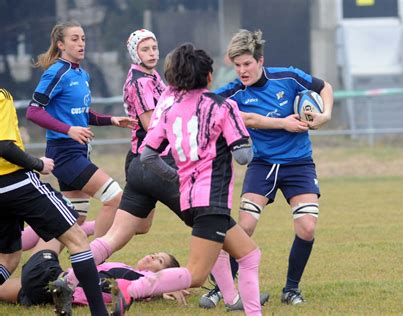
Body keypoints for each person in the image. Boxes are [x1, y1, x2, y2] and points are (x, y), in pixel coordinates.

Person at [206, 29, 334, 306]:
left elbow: (325, 88)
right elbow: (213, 109)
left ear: (260, 60)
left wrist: (324, 116)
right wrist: (282, 123)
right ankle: (222, 287)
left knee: (307, 228)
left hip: (298, 163)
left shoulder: (287, 76)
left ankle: (291, 289)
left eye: (247, 64)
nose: (242, 71)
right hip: (262, 164)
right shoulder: (233, 91)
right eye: (237, 65)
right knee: (245, 227)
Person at [139, 43, 263, 315]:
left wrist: (178, 176)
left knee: (250, 255)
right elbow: (243, 157)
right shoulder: (223, 106)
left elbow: (147, 155)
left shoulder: (171, 109)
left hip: (188, 201)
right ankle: (133, 288)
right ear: (208, 76)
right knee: (195, 275)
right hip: (212, 199)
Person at [64, 29, 183, 280]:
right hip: (150, 159)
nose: (152, 53)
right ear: (134, 53)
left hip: (148, 159)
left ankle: (79, 254)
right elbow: (151, 125)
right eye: (145, 49)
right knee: (204, 218)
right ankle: (85, 256)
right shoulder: (139, 81)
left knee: (140, 226)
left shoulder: (152, 76)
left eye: (154, 48)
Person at [0, 87, 119, 315]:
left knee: (8, 258)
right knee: (77, 238)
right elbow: (4, 146)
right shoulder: (1, 96)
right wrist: (38, 164)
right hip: (16, 183)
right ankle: (100, 312)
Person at [26, 21, 136, 238]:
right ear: (61, 44)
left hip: (78, 152)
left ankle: (30, 255)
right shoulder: (56, 72)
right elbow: (33, 111)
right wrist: (68, 130)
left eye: (83, 39)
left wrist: (111, 120)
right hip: (64, 153)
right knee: (115, 198)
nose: (81, 43)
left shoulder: (82, 75)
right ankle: (97, 259)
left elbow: (82, 113)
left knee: (72, 219)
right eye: (74, 39)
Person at [0, 238, 188, 312]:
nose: (154, 255)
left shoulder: (137, 279)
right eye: (156, 253)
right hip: (45, 293)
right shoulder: (130, 274)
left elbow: (152, 286)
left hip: (47, 277)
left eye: (160, 261)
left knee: (56, 230)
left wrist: (168, 286)